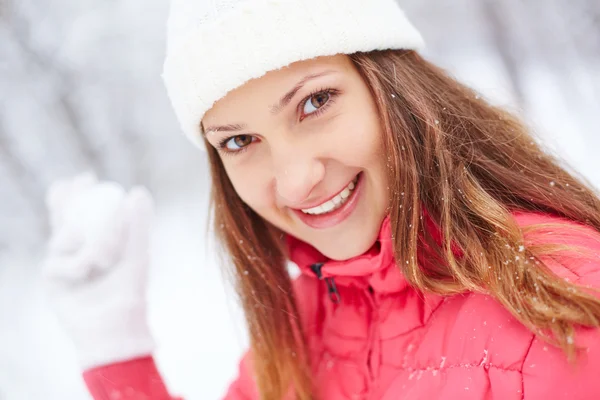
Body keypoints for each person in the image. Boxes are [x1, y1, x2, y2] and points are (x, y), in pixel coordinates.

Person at [42, 0, 600, 399]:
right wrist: (116, 353)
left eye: (315, 102)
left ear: (394, 88)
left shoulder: (565, 299)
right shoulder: (296, 335)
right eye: (239, 141)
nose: (294, 182)